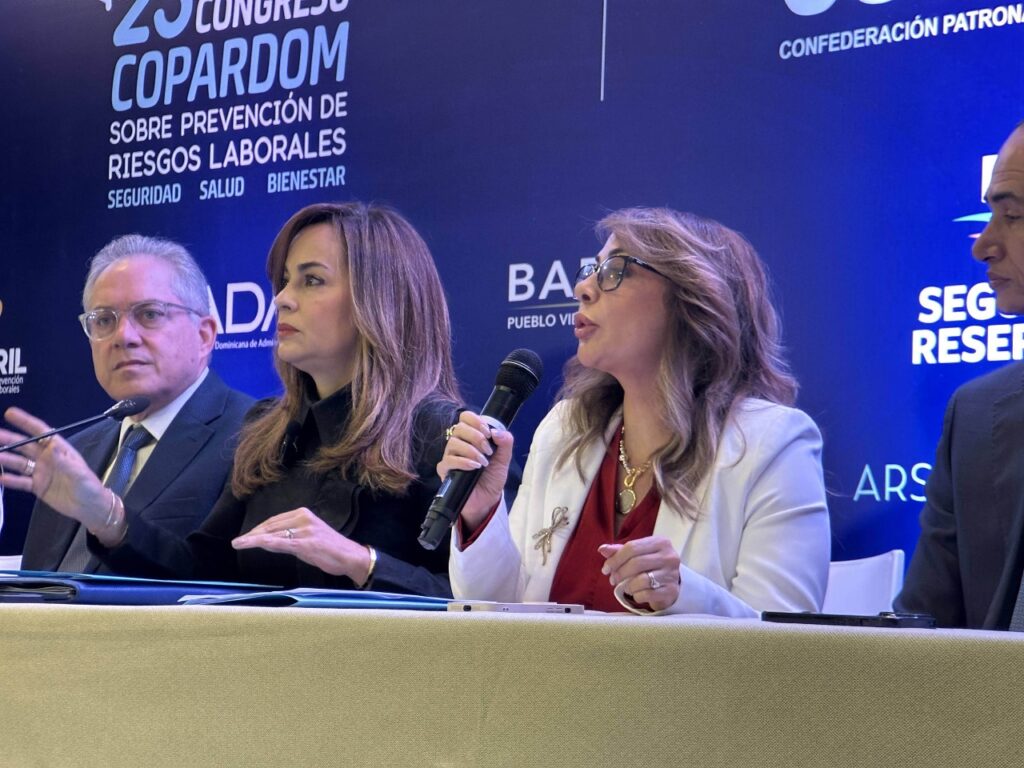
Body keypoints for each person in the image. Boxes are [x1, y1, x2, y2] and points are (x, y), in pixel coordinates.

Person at [441, 207, 830, 616]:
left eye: (614, 270)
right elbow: (500, 615)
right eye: (590, 270)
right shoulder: (564, 429)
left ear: (692, 297)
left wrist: (683, 594)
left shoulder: (774, 444)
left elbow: (787, 642)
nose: (583, 288)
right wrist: (480, 511)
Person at [89, 202, 463, 596]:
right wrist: (106, 516)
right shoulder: (268, 430)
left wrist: (360, 561)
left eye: (312, 280)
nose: (282, 299)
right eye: (284, 281)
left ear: (380, 299)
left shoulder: (447, 437)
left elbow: (480, 604)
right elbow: (203, 575)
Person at [0, 235, 254, 573]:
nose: (124, 337)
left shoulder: (255, 436)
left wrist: (109, 517)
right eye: (104, 320)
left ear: (204, 334)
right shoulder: (72, 453)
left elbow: (224, 583)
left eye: (149, 314)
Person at [896, 121, 1024, 629]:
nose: (983, 245)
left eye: (1013, 216)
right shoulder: (973, 416)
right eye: (991, 214)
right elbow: (923, 633)